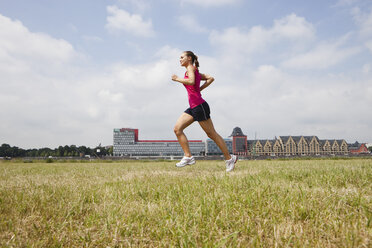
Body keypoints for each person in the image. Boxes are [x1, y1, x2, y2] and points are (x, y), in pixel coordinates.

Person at [171, 51, 237, 172]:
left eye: (182, 57)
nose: (179, 59)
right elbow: (210, 78)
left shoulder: (191, 68)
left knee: (212, 134)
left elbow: (191, 81)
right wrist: (199, 89)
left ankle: (229, 158)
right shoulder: (193, 70)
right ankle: (188, 156)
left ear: (189, 58)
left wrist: (177, 79)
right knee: (177, 129)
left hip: (199, 106)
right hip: (193, 106)